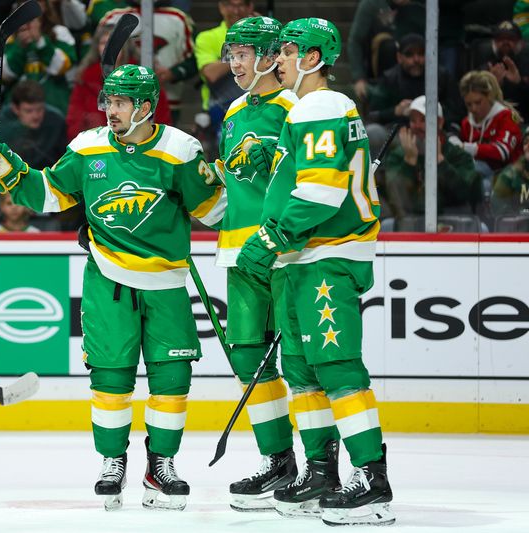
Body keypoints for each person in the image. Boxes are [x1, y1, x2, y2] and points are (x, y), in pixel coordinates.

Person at [0, 64, 225, 512]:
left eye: (121, 102)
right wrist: (10, 169)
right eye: (108, 101)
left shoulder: (180, 149)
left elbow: (215, 210)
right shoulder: (87, 148)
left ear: (146, 108)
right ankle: (113, 462)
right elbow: (49, 193)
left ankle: (160, 465)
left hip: (166, 282)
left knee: (173, 378)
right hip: (107, 279)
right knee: (111, 378)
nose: (110, 110)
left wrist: (242, 179)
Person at [236, 18, 395, 526]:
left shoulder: (320, 104)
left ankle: (372, 479)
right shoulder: (311, 109)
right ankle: (321, 471)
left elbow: (323, 193)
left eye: (284, 51)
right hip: (303, 260)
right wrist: (273, 166)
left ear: (310, 57)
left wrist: (268, 238)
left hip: (327, 255)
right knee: (304, 371)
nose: (276, 60)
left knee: (337, 366)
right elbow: (306, 180)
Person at [212, 16, 299, 512]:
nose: (234, 63)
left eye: (243, 54)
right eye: (232, 55)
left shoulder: (295, 109)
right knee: (247, 356)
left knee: (303, 363)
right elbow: (230, 184)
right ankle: (277, 459)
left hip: (284, 253)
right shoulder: (233, 112)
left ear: (270, 56)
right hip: (237, 251)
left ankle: (319, 466)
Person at [66, 22, 172, 141]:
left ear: (125, 46)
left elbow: (160, 115)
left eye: (114, 43)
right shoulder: (84, 78)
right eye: (103, 43)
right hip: (96, 145)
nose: (108, 47)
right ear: (97, 47)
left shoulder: (144, 78)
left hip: (138, 146)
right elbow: (74, 119)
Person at [385, 96, 480, 221]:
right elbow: (395, 197)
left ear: (440, 122)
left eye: (423, 120)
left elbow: (467, 194)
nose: (416, 126)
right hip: (409, 222)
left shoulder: (458, 155)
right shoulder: (397, 156)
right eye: (413, 120)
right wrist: (409, 162)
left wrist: (440, 161)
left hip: (453, 222)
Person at [101, 0, 196, 122]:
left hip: (167, 101)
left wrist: (173, 73)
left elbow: (194, 59)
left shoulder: (178, 18)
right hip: (118, 101)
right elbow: (96, 57)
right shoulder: (113, 17)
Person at [2, 0, 78, 115]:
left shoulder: (59, 32)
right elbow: (4, 75)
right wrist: (20, 47)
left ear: (46, 5)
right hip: (18, 110)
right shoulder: (7, 36)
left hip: (54, 105)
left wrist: (40, 41)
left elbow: (60, 67)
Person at [194, 0, 253, 131]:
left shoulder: (265, 36)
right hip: (221, 111)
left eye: (241, 5)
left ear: (250, 7)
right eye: (231, 5)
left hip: (259, 106)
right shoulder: (207, 37)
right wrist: (245, 45)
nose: (236, 11)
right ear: (221, 7)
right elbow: (211, 73)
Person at [457, 70, 523, 182]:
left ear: (488, 96)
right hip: (479, 173)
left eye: (478, 102)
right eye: (469, 104)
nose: (473, 109)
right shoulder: (467, 123)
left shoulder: (507, 117)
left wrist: (470, 148)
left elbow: (502, 151)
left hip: (511, 177)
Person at [0, 80, 68, 170]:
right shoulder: (2, 124)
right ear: (15, 109)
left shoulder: (56, 122)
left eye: (39, 109)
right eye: (29, 111)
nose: (36, 116)